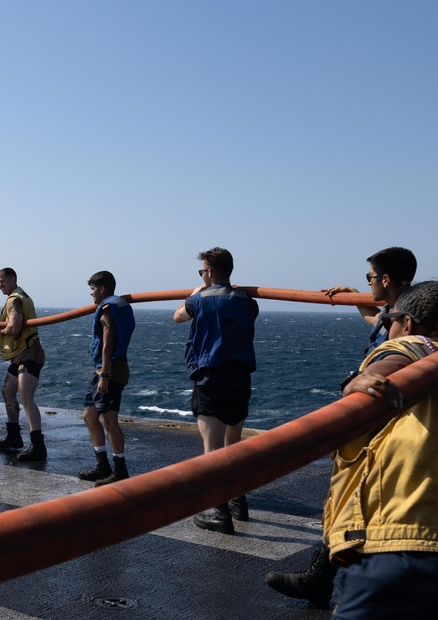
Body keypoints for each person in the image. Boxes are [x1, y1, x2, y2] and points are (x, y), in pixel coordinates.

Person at [266, 246, 418, 606]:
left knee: (353, 493)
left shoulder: (406, 318)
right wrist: (353, 295)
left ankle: (334, 580)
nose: (368, 284)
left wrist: (360, 381)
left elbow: (391, 338)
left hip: (387, 422)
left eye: (369, 278)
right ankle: (324, 575)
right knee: (355, 496)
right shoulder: (404, 308)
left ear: (384, 279)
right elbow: (379, 321)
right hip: (395, 420)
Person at [321, 280, 438, 618]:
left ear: (406, 324)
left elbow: (395, 358)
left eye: (387, 321)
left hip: (405, 542)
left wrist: (359, 380)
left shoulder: (415, 345)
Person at [173, 247, 257, 535]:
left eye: (201, 271)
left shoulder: (200, 300)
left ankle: (218, 512)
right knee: (233, 443)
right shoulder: (247, 301)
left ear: (208, 272)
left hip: (210, 376)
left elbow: (178, 317)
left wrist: (196, 293)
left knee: (212, 450)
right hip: (240, 376)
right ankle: (238, 501)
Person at [77, 271, 135, 486]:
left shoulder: (107, 310)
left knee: (109, 420)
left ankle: (120, 469)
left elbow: (107, 344)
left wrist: (105, 375)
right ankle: (102, 465)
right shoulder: (117, 305)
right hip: (105, 369)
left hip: (110, 369)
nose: (91, 294)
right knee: (89, 416)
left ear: (102, 289)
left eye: (93, 289)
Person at [0, 267, 48, 461]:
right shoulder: (20, 296)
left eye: (2, 281)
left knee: (26, 397)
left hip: (29, 355)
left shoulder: (14, 299)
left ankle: (38, 445)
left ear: (12, 280)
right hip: (20, 355)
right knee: (7, 391)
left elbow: (14, 326)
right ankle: (13, 436)